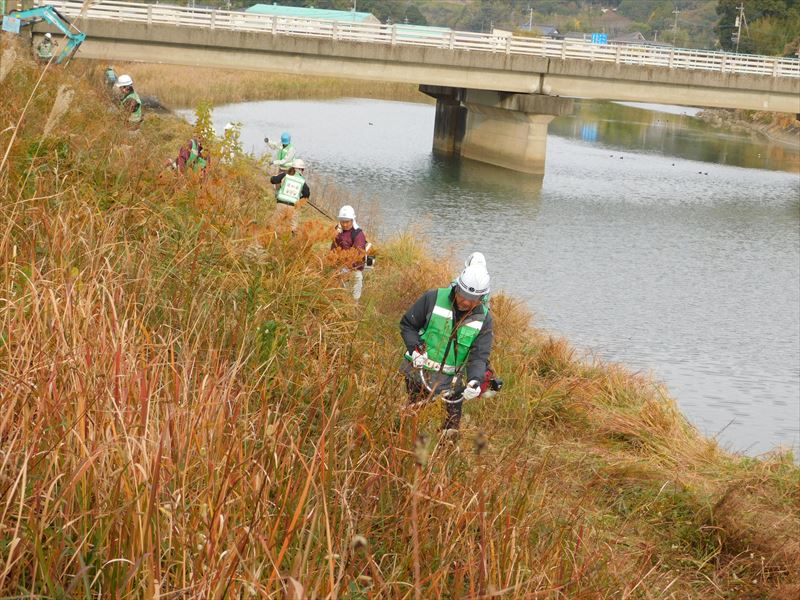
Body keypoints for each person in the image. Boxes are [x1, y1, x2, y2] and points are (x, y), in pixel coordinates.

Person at [399, 264, 494, 434]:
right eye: (462, 295)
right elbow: (408, 325)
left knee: (450, 430)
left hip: (452, 385)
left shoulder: (484, 319)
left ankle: (443, 455)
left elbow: (479, 357)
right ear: (456, 287)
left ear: (481, 298)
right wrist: (415, 349)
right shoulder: (433, 298)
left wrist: (475, 380)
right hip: (418, 375)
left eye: (472, 299)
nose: (465, 301)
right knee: (410, 422)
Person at [331, 205, 367, 301]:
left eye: (347, 221)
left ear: (352, 220)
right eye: (343, 221)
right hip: (339, 267)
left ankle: (353, 308)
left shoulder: (358, 235)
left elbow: (357, 256)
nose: (345, 224)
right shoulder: (337, 231)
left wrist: (346, 267)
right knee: (336, 292)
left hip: (354, 269)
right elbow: (333, 249)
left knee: (354, 293)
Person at [270, 158, 309, 233]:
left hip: (281, 203)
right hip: (293, 207)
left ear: (292, 167)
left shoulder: (285, 175)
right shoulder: (302, 180)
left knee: (274, 224)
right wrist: (299, 198)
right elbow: (307, 194)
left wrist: (276, 177)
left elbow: (273, 180)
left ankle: (273, 238)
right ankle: (291, 242)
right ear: (301, 170)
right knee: (293, 228)